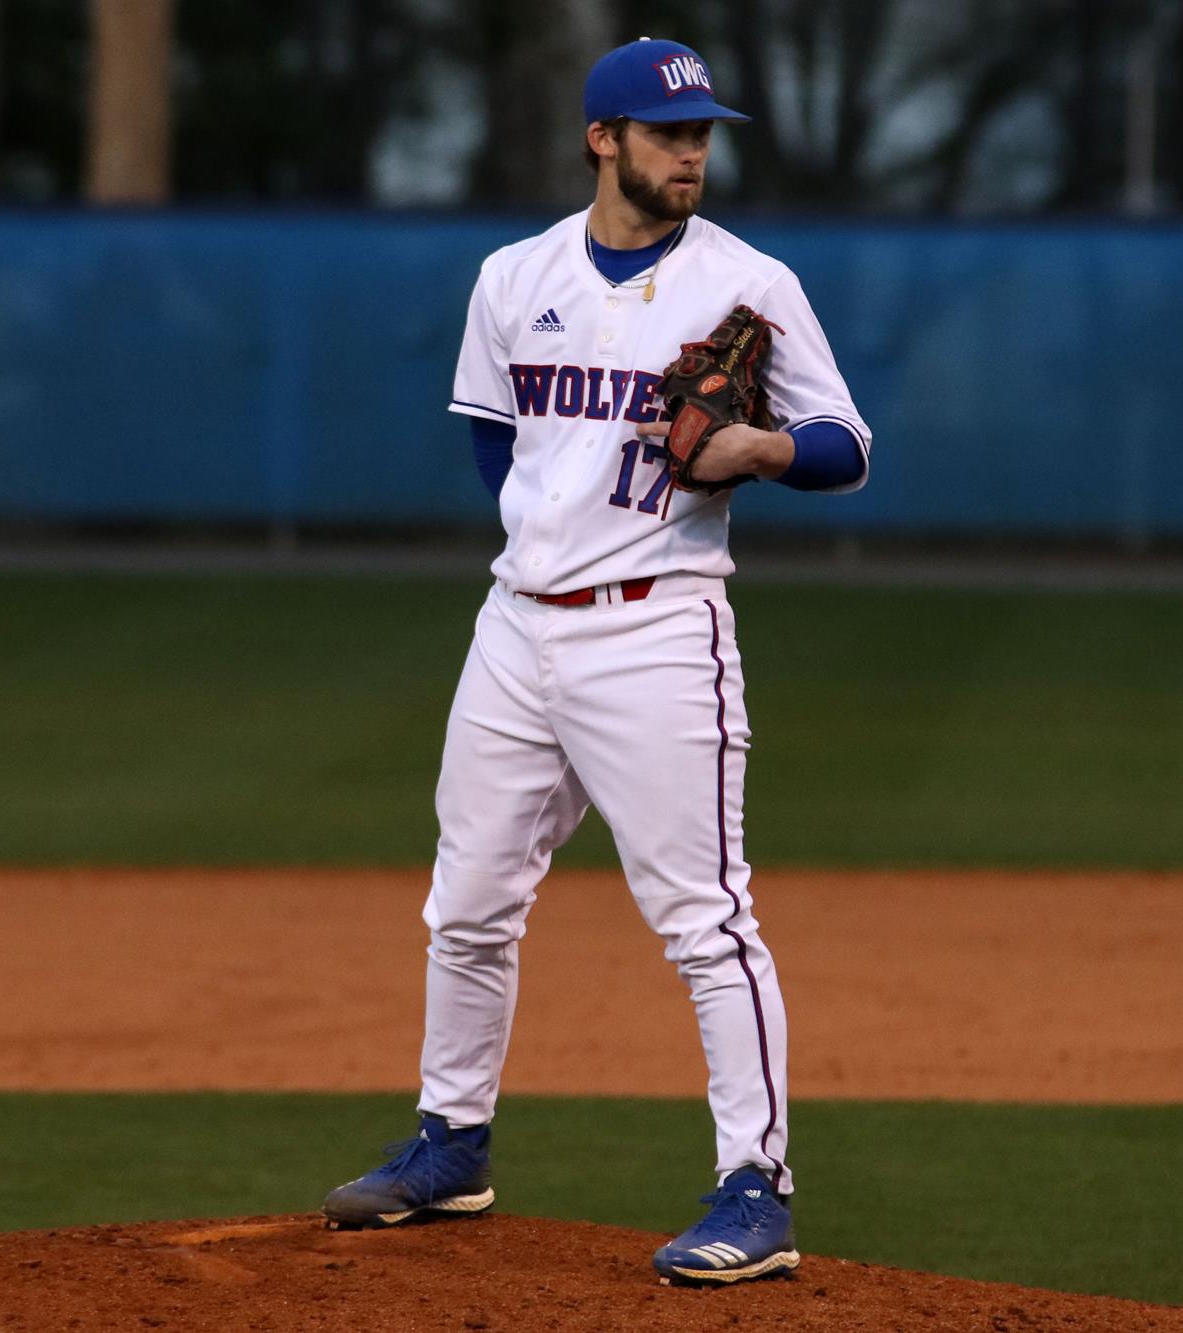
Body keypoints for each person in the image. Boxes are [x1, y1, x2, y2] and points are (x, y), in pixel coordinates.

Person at [322, 36, 872, 1287]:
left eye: (702, 134)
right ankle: (450, 1143)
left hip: (658, 625)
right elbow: (493, 446)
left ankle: (757, 1188)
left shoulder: (749, 284)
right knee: (466, 903)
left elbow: (846, 441)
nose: (691, 152)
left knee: (702, 918)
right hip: (516, 626)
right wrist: (551, 537)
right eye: (668, 132)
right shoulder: (513, 277)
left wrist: (761, 454)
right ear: (601, 139)